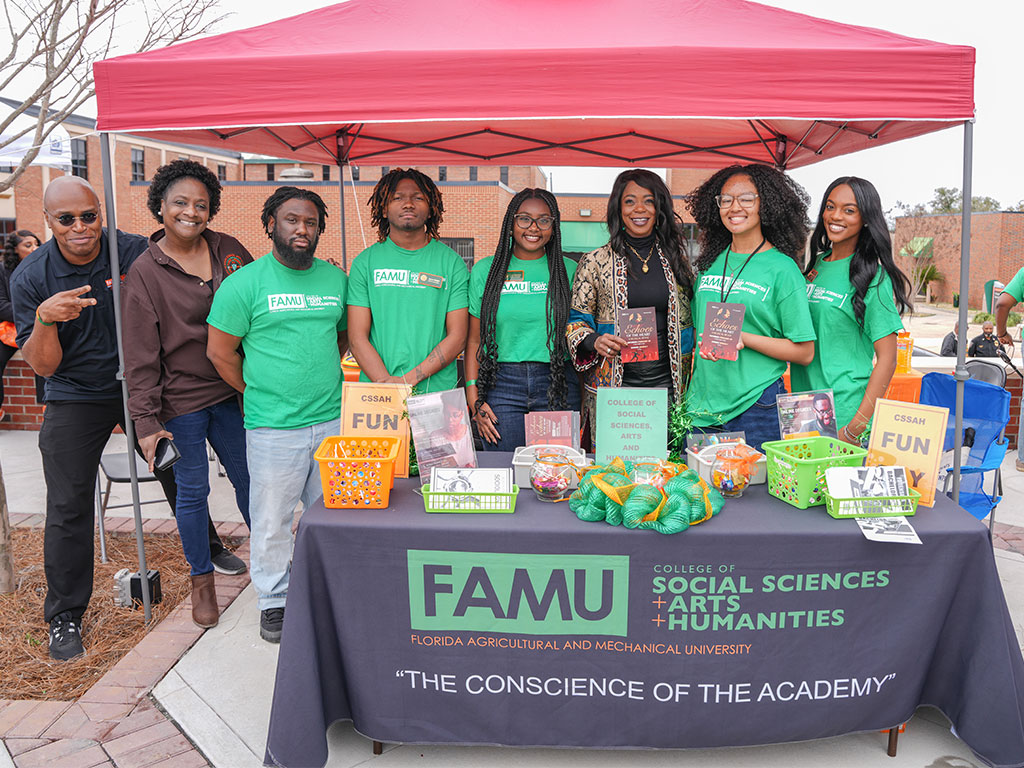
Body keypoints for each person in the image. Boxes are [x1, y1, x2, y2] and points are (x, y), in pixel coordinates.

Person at [8, 177, 191, 661]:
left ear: (100, 213)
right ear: (49, 222)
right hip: (75, 394)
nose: (80, 227)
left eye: (89, 215)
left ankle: (207, 552)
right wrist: (46, 319)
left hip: (139, 385)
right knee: (67, 506)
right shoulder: (31, 276)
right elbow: (42, 366)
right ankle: (65, 615)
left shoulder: (133, 252)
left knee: (177, 467)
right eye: (66, 219)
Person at [207, 187, 347, 644]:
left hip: (331, 420)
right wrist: (254, 390)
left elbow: (342, 337)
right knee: (271, 522)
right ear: (271, 224)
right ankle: (274, 600)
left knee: (329, 517)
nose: (301, 229)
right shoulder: (243, 284)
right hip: (272, 428)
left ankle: (326, 592)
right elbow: (220, 352)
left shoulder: (334, 280)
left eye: (310, 222)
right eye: (291, 220)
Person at [123, 160, 253, 628]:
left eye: (201, 204)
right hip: (180, 401)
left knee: (253, 482)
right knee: (193, 494)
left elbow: (259, 305)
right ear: (160, 206)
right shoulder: (144, 272)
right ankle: (203, 583)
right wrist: (146, 422)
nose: (191, 212)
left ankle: (277, 570)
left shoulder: (230, 250)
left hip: (235, 391)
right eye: (180, 202)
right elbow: (139, 357)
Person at [686, 164, 816, 451]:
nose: (735, 207)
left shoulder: (783, 269)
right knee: (701, 494)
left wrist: (745, 338)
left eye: (746, 198)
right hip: (702, 406)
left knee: (753, 496)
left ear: (765, 204)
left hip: (756, 405)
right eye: (726, 199)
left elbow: (804, 352)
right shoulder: (711, 264)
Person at [566, 169, 694, 446]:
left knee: (664, 474)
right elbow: (576, 322)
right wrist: (594, 340)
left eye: (648, 201)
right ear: (618, 207)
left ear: (659, 208)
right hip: (614, 388)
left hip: (669, 387)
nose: (639, 209)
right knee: (615, 477)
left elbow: (691, 322)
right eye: (630, 201)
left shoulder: (676, 261)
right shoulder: (594, 262)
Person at [791, 177, 911, 445]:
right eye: (830, 207)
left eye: (849, 210)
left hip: (845, 411)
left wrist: (855, 428)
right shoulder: (816, 267)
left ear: (866, 218)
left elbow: (888, 359)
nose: (835, 216)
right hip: (803, 411)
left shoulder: (873, 278)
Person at [466, 189, 580, 450]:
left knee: (556, 476)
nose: (534, 228)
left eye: (544, 220)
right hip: (501, 384)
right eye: (524, 219)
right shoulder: (487, 271)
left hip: (558, 381)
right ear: (510, 223)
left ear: (554, 226)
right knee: (505, 472)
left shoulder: (569, 271)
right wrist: (475, 399)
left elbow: (578, 337)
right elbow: (473, 341)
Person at [347, 169, 468, 393]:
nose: (408, 204)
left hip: (437, 395)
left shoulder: (452, 264)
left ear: (432, 208)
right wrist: (388, 386)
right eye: (398, 198)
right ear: (383, 208)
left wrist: (408, 381)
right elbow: (356, 338)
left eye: (418, 197)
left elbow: (458, 337)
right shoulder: (365, 263)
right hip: (378, 392)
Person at [0, 230, 40, 421]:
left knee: (46, 357)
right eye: (28, 245)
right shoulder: (2, 271)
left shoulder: (42, 268)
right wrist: (31, 312)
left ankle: (48, 408)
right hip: (11, 329)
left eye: (36, 244)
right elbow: (1, 306)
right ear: (14, 249)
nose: (34, 249)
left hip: (40, 326)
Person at [427, 389, 475, 466]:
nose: (450, 419)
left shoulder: (470, 434)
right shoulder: (435, 436)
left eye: (455, 415)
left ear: (462, 414)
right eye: (447, 414)